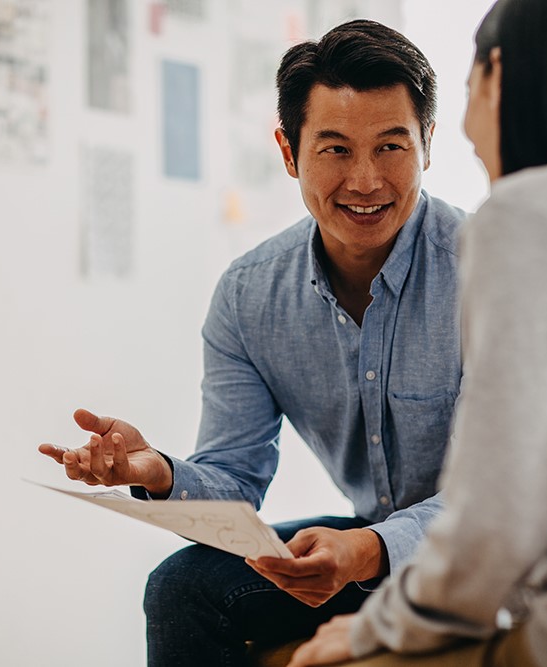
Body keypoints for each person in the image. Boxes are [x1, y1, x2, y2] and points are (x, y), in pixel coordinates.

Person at [39, 20, 467, 666]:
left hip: (489, 554)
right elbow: (235, 482)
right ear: (289, 152)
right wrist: (155, 470)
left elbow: (511, 497)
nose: (366, 179)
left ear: (427, 146)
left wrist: (372, 548)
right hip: (375, 553)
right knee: (181, 588)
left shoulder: (492, 271)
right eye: (334, 150)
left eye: (390, 146)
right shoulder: (249, 296)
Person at [288, 1, 547, 666]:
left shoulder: (527, 214)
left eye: (393, 144)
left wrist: (371, 630)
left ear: (496, 72)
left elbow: (495, 523)